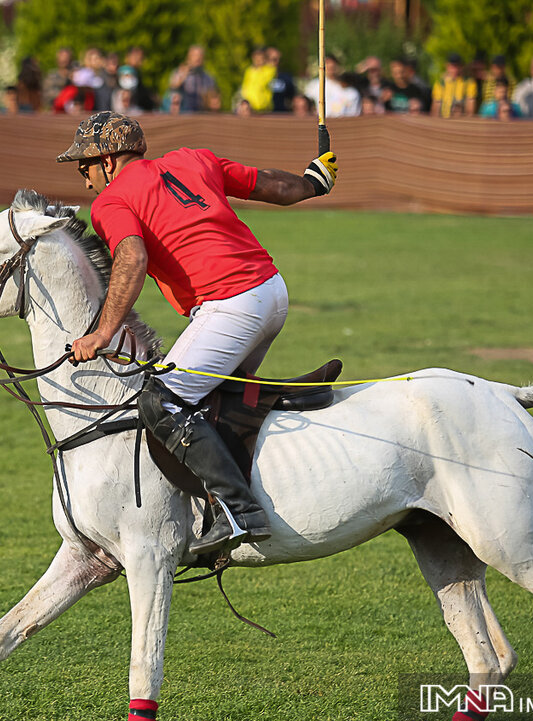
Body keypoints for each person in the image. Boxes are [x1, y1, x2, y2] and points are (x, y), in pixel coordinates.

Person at [57, 111, 339, 554]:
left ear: (108, 161)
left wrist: (103, 332)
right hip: (271, 290)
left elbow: (131, 259)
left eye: (85, 165)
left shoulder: (110, 203)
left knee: (161, 399)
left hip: (231, 306)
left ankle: (237, 511)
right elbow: (273, 185)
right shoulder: (193, 159)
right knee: (209, 397)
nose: (85, 178)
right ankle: (232, 483)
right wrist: (314, 181)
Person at [168, 44, 216, 112]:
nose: (198, 58)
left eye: (200, 56)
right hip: (184, 114)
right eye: (195, 55)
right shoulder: (179, 72)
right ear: (188, 57)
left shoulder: (208, 78)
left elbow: (213, 98)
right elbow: (172, 87)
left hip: (202, 114)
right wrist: (183, 75)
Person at [431, 52, 476, 117]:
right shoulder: (440, 83)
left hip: (461, 121)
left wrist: (468, 119)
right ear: (447, 66)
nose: (455, 70)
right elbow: (436, 103)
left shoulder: (469, 82)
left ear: (461, 67)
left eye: (457, 66)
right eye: (452, 67)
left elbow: (470, 101)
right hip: (443, 120)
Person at [240, 46, 274, 112]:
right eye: (256, 58)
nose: (258, 60)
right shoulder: (249, 71)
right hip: (250, 108)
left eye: (260, 58)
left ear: (264, 58)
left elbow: (263, 83)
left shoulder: (269, 70)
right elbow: (245, 87)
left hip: (264, 108)